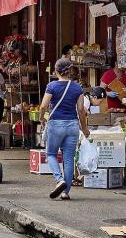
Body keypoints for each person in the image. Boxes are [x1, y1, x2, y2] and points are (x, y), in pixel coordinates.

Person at [39, 57, 90, 200]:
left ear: (56, 71)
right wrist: (85, 129)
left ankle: (59, 179)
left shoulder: (52, 86)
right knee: (68, 160)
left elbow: (43, 106)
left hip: (56, 125)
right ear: (70, 71)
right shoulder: (77, 88)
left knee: (51, 154)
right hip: (72, 125)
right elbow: (81, 110)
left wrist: (41, 117)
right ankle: (65, 192)